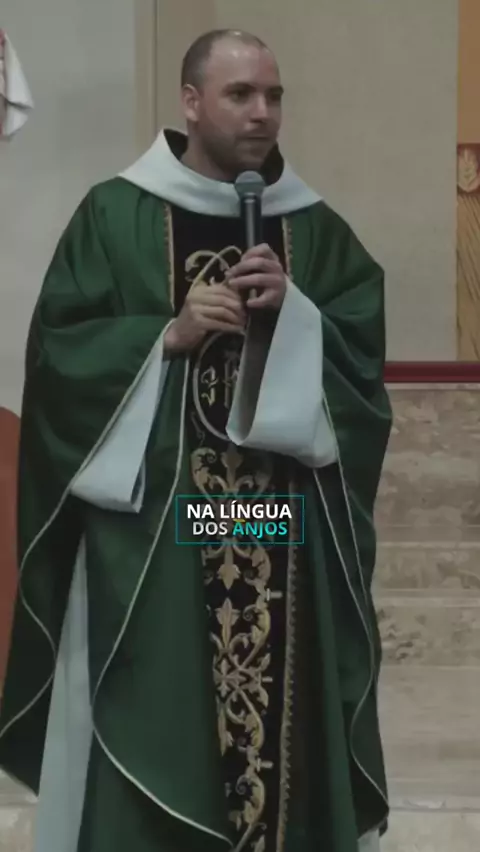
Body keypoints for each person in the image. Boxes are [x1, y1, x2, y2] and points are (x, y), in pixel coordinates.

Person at [0, 28, 392, 852]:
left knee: (281, 726)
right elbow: (59, 359)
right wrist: (164, 338)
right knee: (161, 716)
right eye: (239, 94)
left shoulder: (313, 230)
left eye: (273, 95)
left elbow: (360, 371)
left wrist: (298, 319)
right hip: (154, 540)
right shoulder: (114, 214)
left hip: (279, 528)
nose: (262, 113)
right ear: (189, 102)